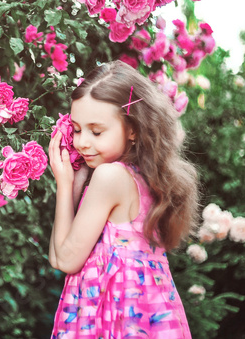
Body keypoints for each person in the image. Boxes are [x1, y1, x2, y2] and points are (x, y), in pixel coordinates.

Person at [48, 60, 198, 338]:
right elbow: (59, 257)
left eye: (96, 131)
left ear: (132, 129)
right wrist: (75, 181)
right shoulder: (142, 178)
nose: (81, 142)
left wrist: (64, 182)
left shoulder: (111, 178)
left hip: (119, 316)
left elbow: (64, 261)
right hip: (143, 314)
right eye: (77, 129)